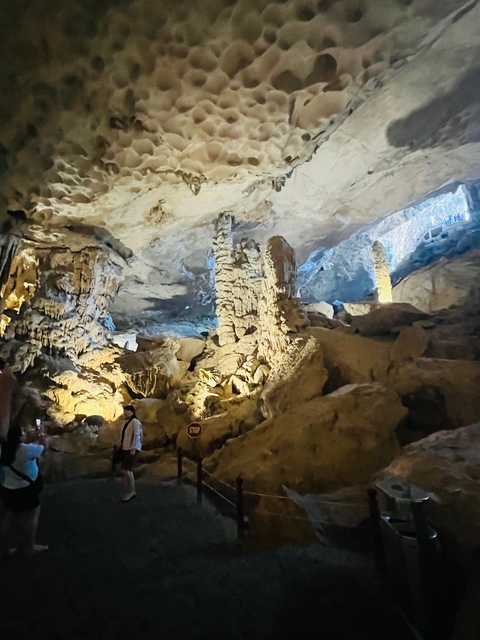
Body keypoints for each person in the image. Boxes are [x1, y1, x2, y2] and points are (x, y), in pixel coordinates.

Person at [0, 423, 48, 558]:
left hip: (8, 488)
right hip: (25, 490)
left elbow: (16, 448)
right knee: (31, 516)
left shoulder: (3, 449)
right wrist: (41, 434)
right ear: (20, 436)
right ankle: (29, 547)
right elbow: (44, 448)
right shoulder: (26, 450)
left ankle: (2, 549)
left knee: (9, 518)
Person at [114, 406, 143, 503]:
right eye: (125, 412)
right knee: (126, 470)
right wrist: (120, 443)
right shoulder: (127, 422)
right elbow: (125, 435)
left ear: (132, 412)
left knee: (127, 470)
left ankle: (131, 491)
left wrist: (133, 448)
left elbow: (136, 435)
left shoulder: (135, 422)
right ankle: (129, 490)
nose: (126, 413)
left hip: (131, 449)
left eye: (128, 411)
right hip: (126, 448)